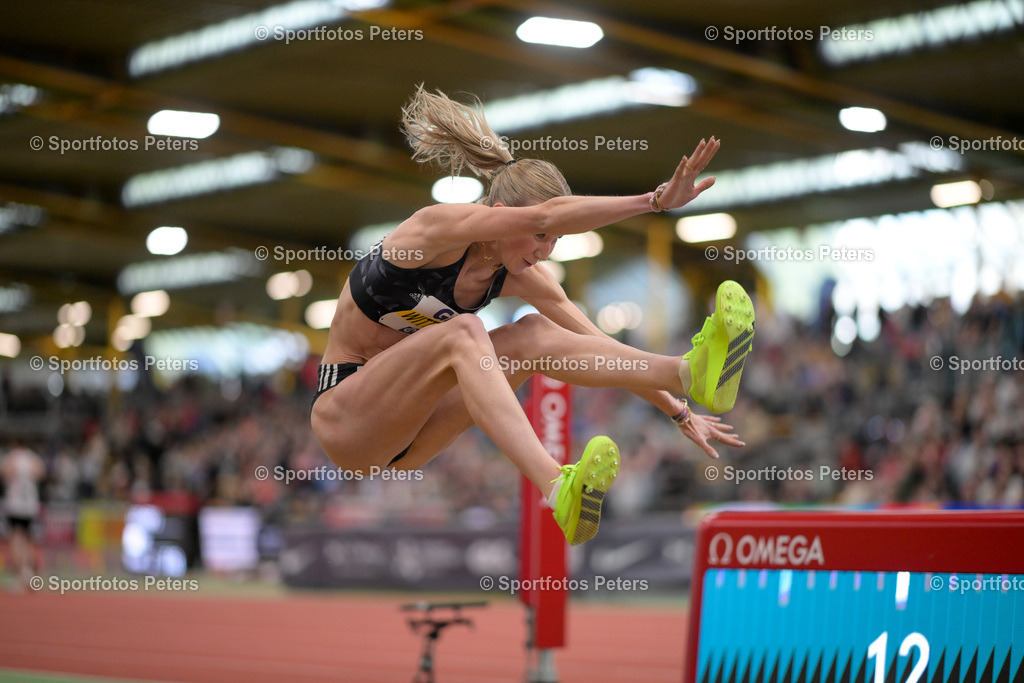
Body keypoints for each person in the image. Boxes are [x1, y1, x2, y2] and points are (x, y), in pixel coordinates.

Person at [310, 86, 754, 545]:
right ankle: (556, 485)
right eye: (539, 236)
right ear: (502, 217)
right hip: (347, 421)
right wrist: (654, 201)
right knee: (464, 331)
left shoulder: (521, 275)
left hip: (413, 438)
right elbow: (547, 214)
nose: (544, 253)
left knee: (535, 335)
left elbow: (601, 347)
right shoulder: (433, 230)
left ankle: (687, 370)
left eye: (554, 243)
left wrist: (680, 408)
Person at [2, 441, 45, 590]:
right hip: (30, 506)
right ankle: (28, 572)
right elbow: (40, 474)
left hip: (15, 505)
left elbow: (6, 475)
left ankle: (20, 574)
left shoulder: (11, 458)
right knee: (27, 540)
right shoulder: (33, 459)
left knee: (15, 540)